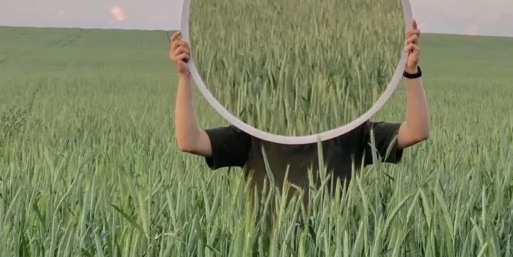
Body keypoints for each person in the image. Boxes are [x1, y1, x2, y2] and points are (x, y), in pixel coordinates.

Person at [169, 22, 430, 200]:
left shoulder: (351, 131)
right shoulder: (255, 133)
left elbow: (416, 131)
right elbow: (189, 141)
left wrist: (411, 71)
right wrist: (185, 77)